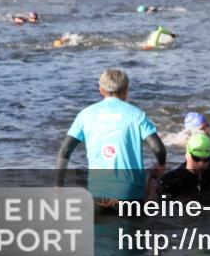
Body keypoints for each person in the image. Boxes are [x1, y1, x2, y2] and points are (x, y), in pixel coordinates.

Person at [54, 68, 166, 209]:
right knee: (132, 230)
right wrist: (161, 165)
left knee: (100, 230)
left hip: (98, 192)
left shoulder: (85, 115)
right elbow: (158, 148)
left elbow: (65, 150)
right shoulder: (137, 115)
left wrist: (58, 187)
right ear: (126, 91)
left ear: (101, 90)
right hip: (131, 193)